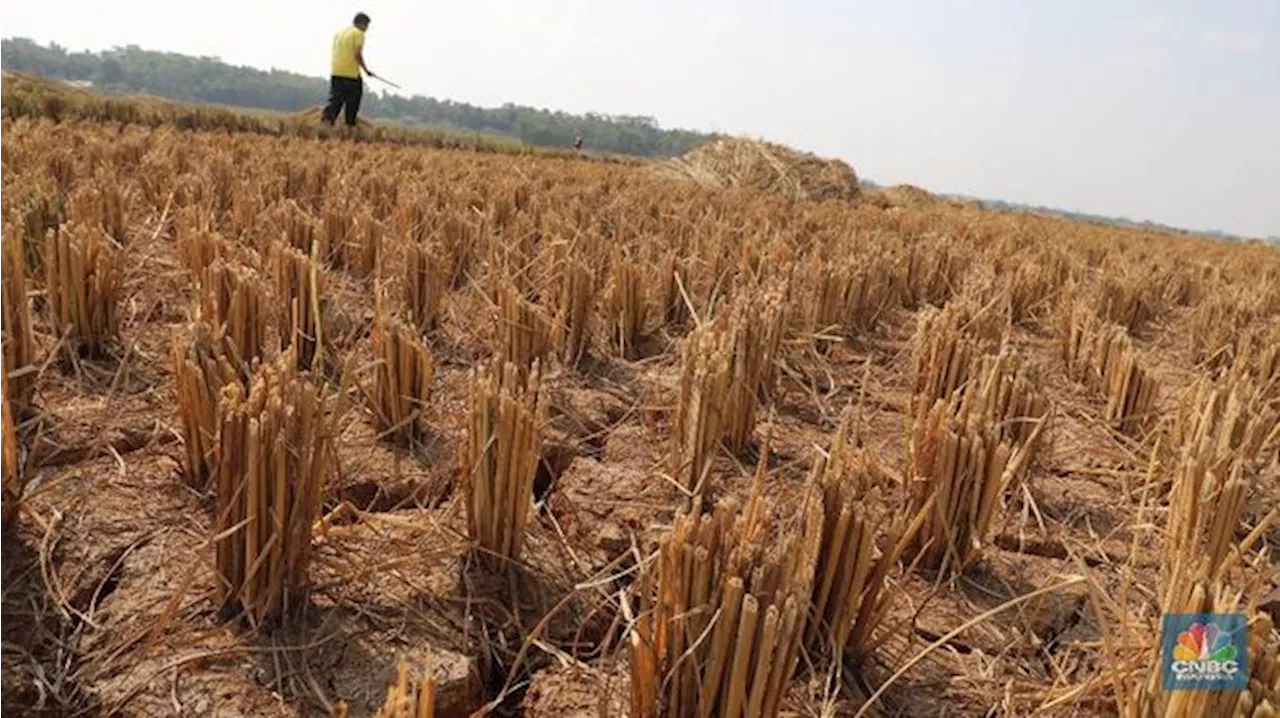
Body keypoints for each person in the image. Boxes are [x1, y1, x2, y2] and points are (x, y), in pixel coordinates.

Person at [323, 13, 374, 128]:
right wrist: (366, 70)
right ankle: (349, 126)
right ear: (362, 23)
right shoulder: (358, 34)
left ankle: (326, 124)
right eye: (367, 26)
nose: (367, 29)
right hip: (350, 74)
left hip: (336, 72)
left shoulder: (339, 33)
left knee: (335, 101)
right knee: (353, 101)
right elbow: (357, 54)